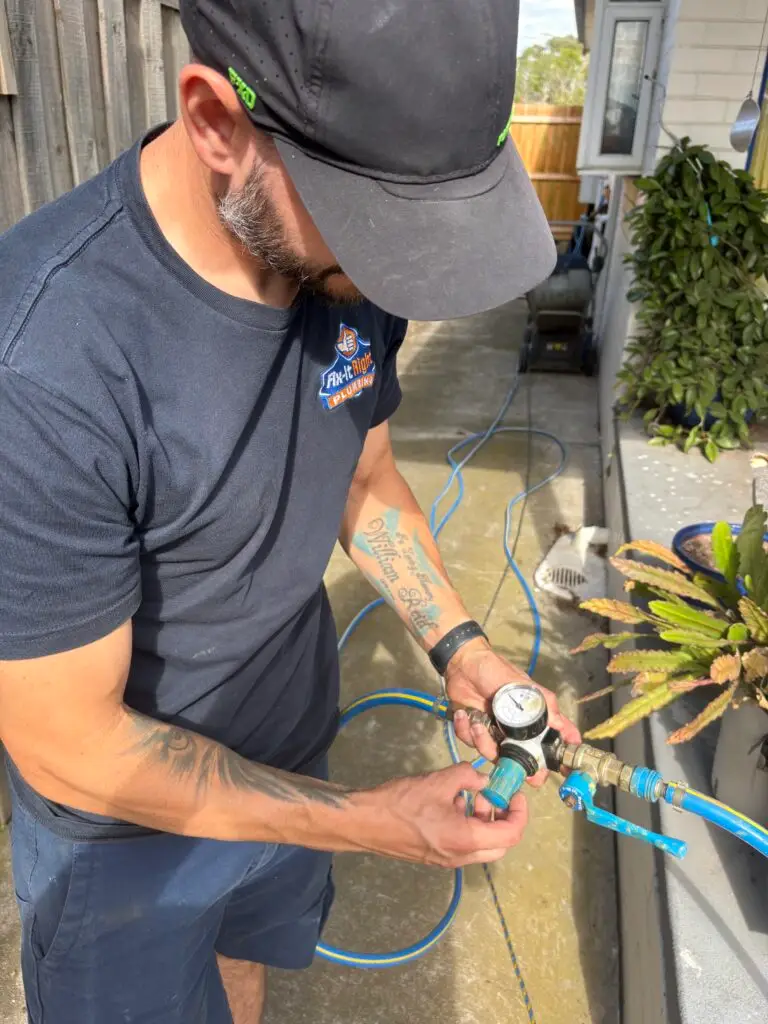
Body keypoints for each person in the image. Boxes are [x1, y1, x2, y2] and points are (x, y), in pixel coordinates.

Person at [0, 1, 577, 1021]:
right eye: (378, 221)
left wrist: (463, 647)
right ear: (218, 123)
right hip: (124, 834)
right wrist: (364, 819)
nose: (407, 274)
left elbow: (365, 480)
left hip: (290, 739)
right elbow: (66, 740)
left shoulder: (354, 265)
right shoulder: (44, 361)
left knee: (243, 970)